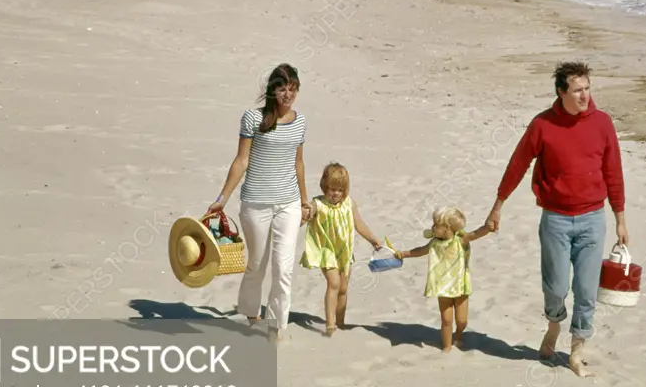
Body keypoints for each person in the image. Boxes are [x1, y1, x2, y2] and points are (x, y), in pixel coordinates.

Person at [485, 61, 628, 377]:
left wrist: (620, 217)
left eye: (587, 89)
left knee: (587, 290)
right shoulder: (542, 125)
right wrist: (498, 205)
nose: (584, 96)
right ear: (561, 92)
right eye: (577, 90)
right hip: (556, 221)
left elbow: (613, 172)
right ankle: (553, 325)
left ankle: (577, 351)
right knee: (556, 288)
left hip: (593, 219)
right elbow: (517, 165)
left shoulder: (602, 124)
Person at [207, 63, 309, 340]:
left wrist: (304, 201)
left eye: (292, 89)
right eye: (282, 89)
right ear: (273, 91)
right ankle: (252, 312)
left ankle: (277, 327)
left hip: (288, 203)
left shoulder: (300, 122)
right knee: (257, 264)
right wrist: (222, 198)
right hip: (256, 204)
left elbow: (298, 164)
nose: (287, 95)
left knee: (283, 267)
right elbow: (241, 161)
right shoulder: (252, 119)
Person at [393, 206, 493, 353]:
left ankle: (458, 335)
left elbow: (476, 234)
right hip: (443, 287)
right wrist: (404, 254)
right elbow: (420, 251)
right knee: (446, 320)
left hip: (460, 287)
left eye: (435, 225)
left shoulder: (461, 240)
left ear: (447, 228)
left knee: (461, 321)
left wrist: (487, 227)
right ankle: (447, 346)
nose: (432, 228)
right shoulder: (434, 243)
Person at [300, 161, 384, 336]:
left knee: (344, 289)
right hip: (326, 250)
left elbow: (358, 223)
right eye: (332, 189)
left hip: (344, 251)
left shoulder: (349, 204)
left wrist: (372, 239)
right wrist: (306, 214)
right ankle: (330, 324)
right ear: (325, 187)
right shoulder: (319, 203)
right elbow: (309, 212)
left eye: (340, 190)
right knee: (334, 283)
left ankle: (341, 322)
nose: (335, 194)